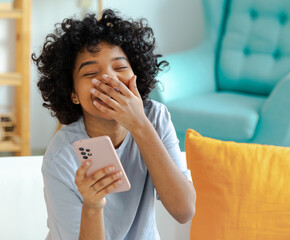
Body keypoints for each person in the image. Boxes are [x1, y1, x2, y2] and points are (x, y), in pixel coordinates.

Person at [32, 9, 196, 240]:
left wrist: (139, 125)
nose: (109, 79)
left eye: (120, 68)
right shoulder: (61, 156)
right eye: (90, 73)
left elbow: (184, 210)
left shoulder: (155, 119)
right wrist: (92, 206)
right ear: (73, 94)